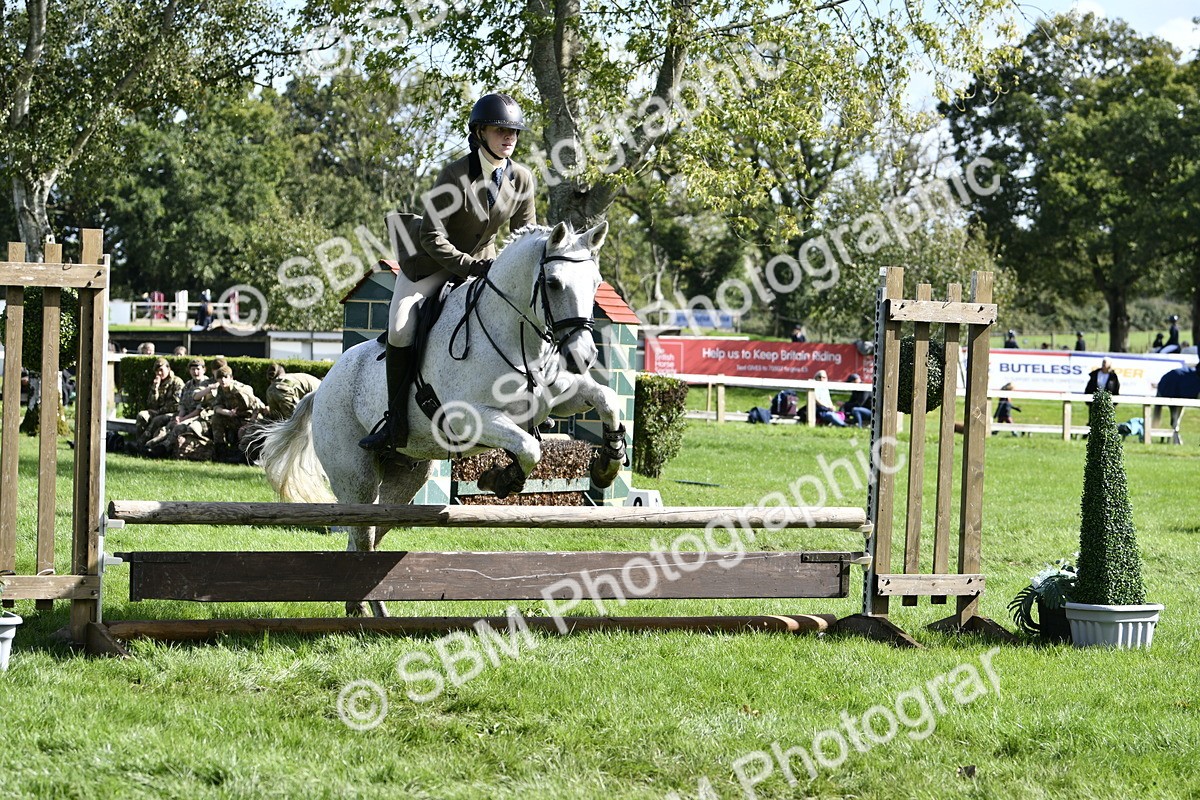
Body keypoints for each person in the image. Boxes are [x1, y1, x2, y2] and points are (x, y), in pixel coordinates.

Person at [360, 92, 537, 453]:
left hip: (482, 264)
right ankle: (395, 420)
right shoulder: (455, 174)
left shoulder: (521, 178)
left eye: (514, 132)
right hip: (429, 265)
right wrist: (471, 266)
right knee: (400, 327)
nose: (509, 138)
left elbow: (526, 236)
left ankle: (532, 401)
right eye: (501, 130)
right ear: (480, 132)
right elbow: (430, 234)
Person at [143, 358, 211, 458]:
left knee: (179, 427)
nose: (195, 372)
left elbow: (199, 410)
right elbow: (182, 404)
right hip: (184, 416)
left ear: (204, 370)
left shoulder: (208, 385)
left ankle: (162, 449)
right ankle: (147, 446)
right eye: (192, 369)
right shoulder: (188, 385)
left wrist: (183, 419)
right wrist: (179, 417)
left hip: (199, 417)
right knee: (167, 427)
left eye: (198, 369)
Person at [209, 365, 266, 462]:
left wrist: (250, 422)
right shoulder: (221, 389)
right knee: (216, 419)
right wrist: (227, 413)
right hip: (234, 417)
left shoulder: (240, 390)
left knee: (243, 431)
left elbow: (259, 406)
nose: (222, 380)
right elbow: (216, 407)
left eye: (225, 377)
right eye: (220, 378)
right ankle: (221, 452)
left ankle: (244, 456)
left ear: (231, 378)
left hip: (250, 419)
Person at [134, 357, 183, 448]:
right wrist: (155, 388)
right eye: (157, 371)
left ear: (168, 369)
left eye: (161, 370)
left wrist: (159, 411)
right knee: (142, 415)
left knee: (157, 420)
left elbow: (176, 404)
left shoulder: (177, 382)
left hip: (172, 414)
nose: (159, 373)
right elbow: (151, 404)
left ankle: (141, 445)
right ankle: (139, 441)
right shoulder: (157, 382)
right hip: (157, 411)